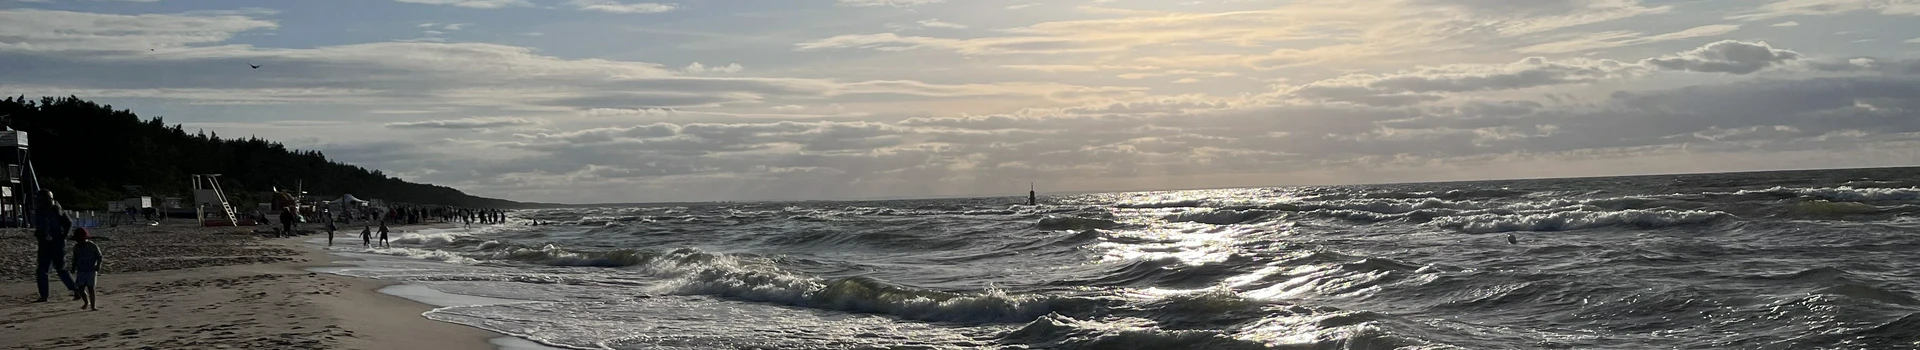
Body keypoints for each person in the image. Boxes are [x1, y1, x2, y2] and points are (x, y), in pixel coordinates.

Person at [32, 190, 78, 302]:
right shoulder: (49, 210)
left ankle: (75, 290)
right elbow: (68, 223)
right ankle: (74, 290)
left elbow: (68, 223)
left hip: (53, 243)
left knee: (51, 269)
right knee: (50, 269)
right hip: (50, 243)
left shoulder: (53, 210)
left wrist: (63, 236)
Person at [68, 228, 103, 311]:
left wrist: (98, 265)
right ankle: (86, 302)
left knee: (91, 288)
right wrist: (73, 268)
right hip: (81, 270)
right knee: (80, 288)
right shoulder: (76, 247)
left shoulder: (93, 246)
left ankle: (93, 305)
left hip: (91, 270)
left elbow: (99, 257)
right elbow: (75, 258)